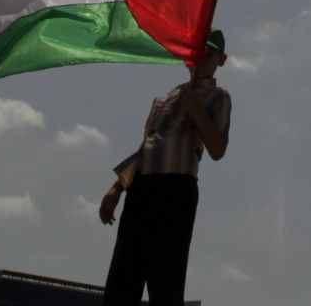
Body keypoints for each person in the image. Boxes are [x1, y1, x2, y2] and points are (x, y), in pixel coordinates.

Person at [97, 28, 231, 306]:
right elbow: (147, 147)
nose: (202, 57)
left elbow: (217, 149)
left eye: (209, 52)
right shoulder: (165, 99)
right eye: (197, 51)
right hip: (141, 191)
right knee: (122, 280)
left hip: (176, 190)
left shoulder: (218, 98)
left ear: (221, 59)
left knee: (165, 282)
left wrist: (195, 107)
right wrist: (116, 188)